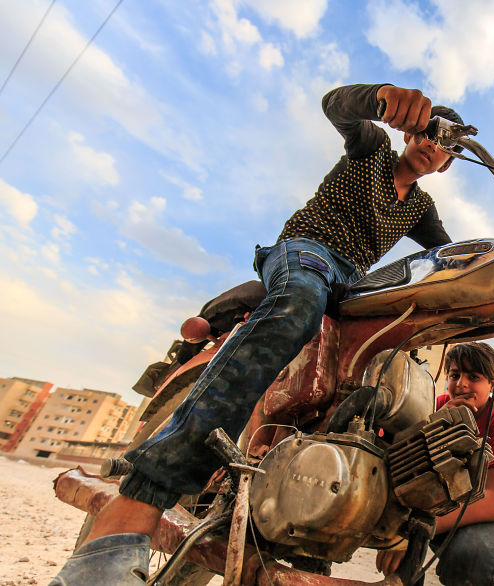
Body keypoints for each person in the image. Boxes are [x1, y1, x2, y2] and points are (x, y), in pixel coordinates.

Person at [52, 83, 462, 585]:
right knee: (297, 308)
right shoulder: (372, 150)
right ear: (409, 133)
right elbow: (338, 108)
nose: (433, 142)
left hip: (356, 284)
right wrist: (379, 97)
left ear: (447, 164)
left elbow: (452, 256)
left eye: (446, 143)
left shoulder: (419, 209)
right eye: (428, 130)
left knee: (381, 378)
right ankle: (137, 503)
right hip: (307, 251)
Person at [376, 342, 494, 586]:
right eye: (455, 375)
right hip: (445, 507)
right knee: (402, 561)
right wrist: (435, 420)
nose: (462, 384)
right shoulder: (435, 406)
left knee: (473, 558)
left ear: (491, 384)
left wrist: (413, 530)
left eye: (474, 377)